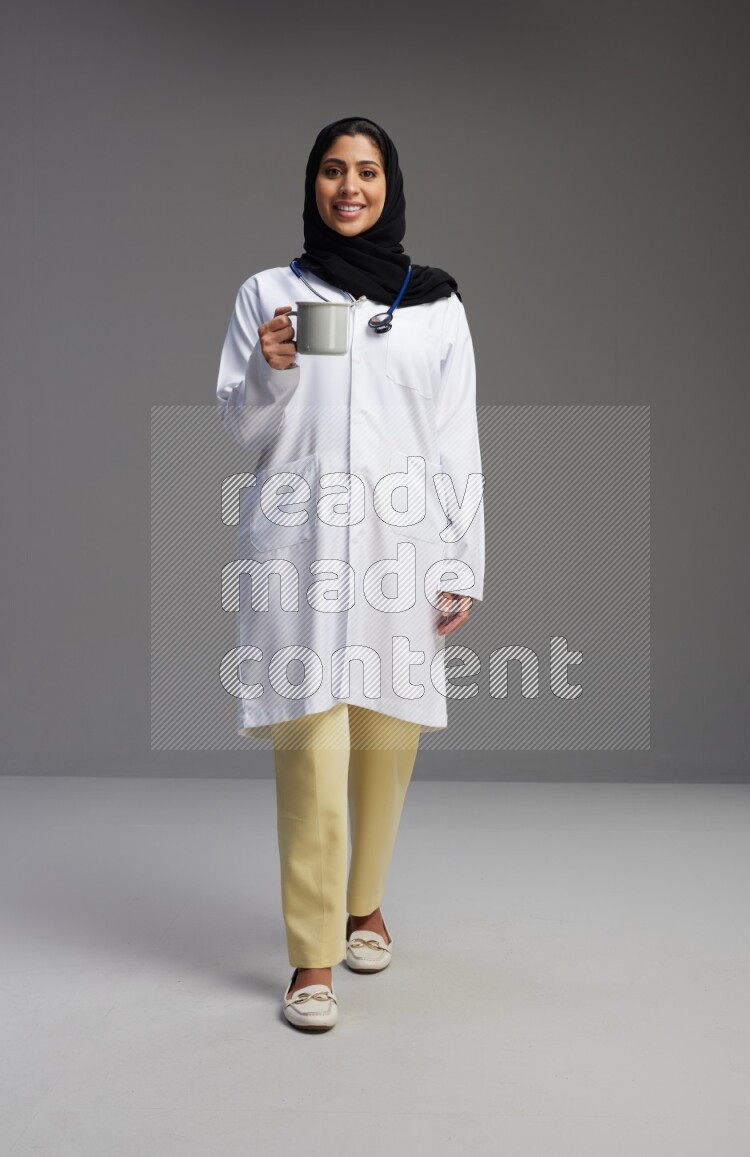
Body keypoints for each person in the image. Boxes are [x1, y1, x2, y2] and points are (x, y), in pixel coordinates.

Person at [215, 116, 485, 1031]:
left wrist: (461, 564)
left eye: (366, 171)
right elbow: (246, 431)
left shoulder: (437, 305)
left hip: (400, 555)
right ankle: (310, 956)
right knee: (312, 755)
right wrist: (272, 368)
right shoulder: (269, 295)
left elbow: (457, 441)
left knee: (386, 748)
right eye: (333, 170)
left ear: (390, 183)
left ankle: (364, 899)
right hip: (301, 558)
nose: (349, 187)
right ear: (312, 185)